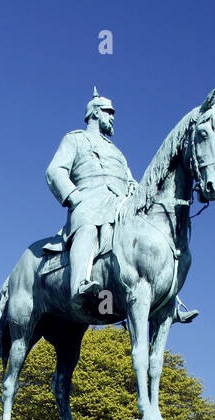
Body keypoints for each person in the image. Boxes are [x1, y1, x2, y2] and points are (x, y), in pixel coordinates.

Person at [45, 89, 138, 315]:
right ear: (95, 113)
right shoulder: (75, 138)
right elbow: (55, 170)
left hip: (120, 203)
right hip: (89, 201)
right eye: (108, 112)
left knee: (146, 240)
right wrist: (74, 197)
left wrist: (135, 187)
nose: (112, 117)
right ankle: (79, 285)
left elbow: (129, 178)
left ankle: (167, 301)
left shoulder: (116, 151)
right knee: (87, 229)